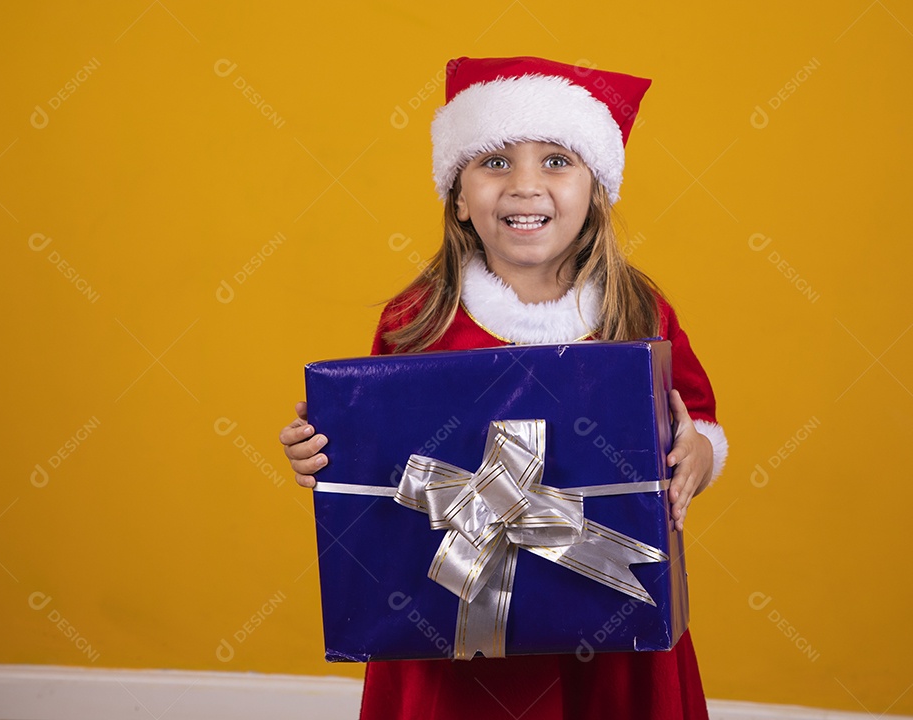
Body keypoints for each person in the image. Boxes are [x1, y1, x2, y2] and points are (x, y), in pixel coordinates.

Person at [279, 55, 729, 720]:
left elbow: (697, 418)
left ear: (597, 187)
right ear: (458, 195)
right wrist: (321, 453)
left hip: (614, 628)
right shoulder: (415, 320)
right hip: (456, 620)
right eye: (495, 163)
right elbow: (373, 461)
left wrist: (699, 454)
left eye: (556, 161)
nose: (525, 186)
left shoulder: (638, 313)